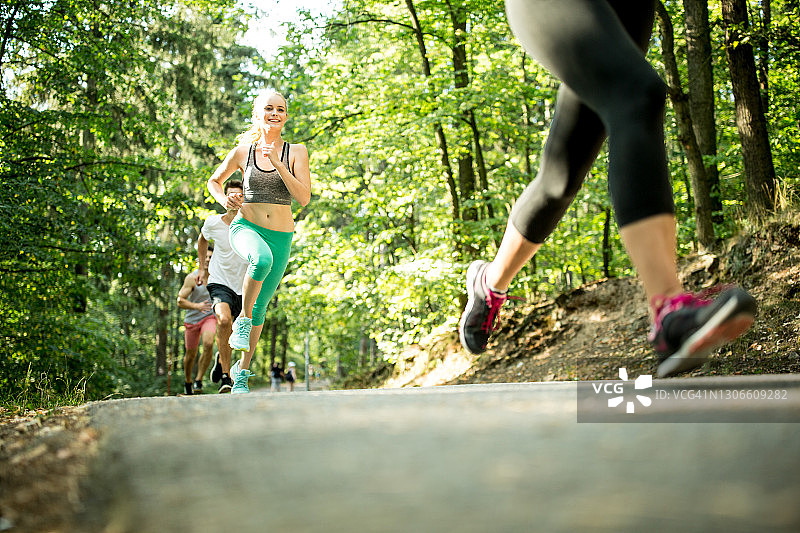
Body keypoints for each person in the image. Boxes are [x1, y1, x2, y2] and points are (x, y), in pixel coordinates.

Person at [459, 0, 757, 378]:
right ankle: (669, 314)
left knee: (559, 179)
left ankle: (488, 282)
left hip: (626, 9)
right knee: (637, 94)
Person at [207, 90, 311, 393]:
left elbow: (303, 198)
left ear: (286, 116)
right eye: (269, 109)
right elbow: (215, 180)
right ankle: (242, 318)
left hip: (282, 236)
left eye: (280, 109)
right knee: (260, 261)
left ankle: (241, 375)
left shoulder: (297, 152)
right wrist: (225, 199)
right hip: (246, 228)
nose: (274, 114)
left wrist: (279, 165)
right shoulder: (243, 151)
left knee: (261, 308)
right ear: (258, 114)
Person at [198, 179, 249, 393]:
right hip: (219, 281)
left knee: (235, 332)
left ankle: (222, 357)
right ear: (224, 198)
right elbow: (202, 241)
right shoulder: (213, 222)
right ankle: (227, 377)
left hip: (244, 286)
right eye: (230, 195)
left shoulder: (252, 224)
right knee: (223, 319)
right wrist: (202, 268)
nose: (234, 199)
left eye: (239, 195)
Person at [177, 247, 217, 395]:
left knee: (208, 344)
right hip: (192, 320)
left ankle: (198, 380)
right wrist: (196, 306)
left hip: (209, 317)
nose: (207, 259)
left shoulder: (218, 276)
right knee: (190, 355)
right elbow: (180, 300)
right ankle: (188, 381)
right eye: (205, 256)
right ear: (200, 259)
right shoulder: (192, 278)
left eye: (211, 257)